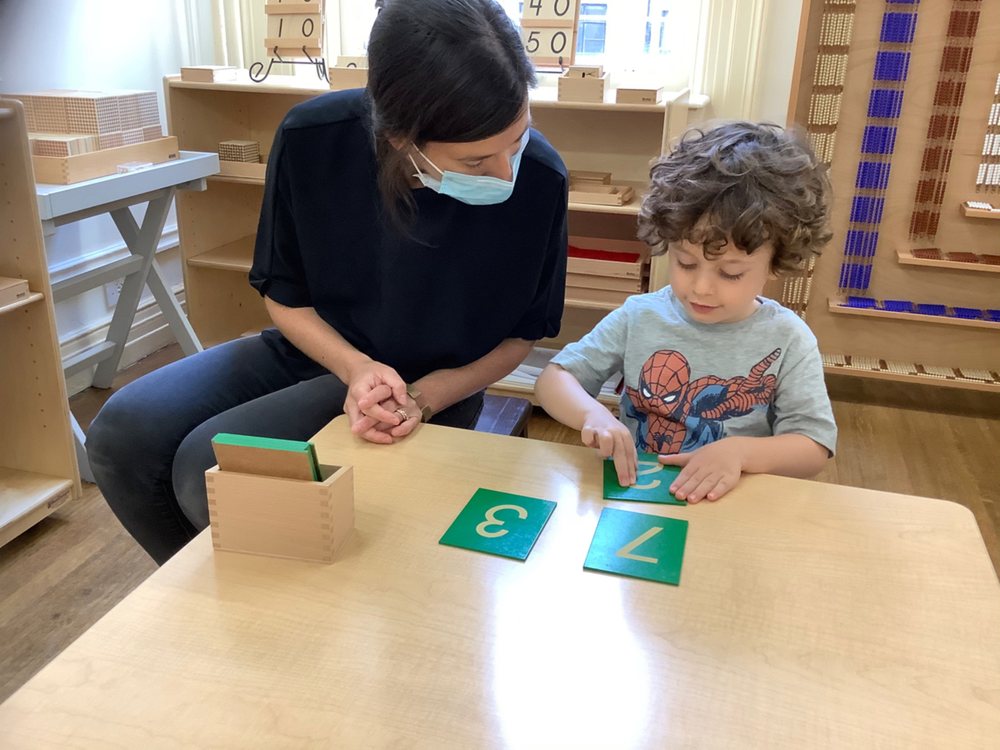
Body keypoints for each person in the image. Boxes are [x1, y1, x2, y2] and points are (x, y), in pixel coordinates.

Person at [87, 0, 568, 564]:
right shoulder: (313, 137)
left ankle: (254, 593)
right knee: (123, 433)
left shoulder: (540, 179)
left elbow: (520, 337)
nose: (507, 172)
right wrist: (356, 368)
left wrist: (421, 398)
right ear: (400, 137)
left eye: (519, 139)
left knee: (205, 469)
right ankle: (216, 592)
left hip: (431, 385)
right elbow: (285, 294)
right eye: (476, 161)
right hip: (321, 349)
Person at [535, 121, 836, 503]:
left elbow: (813, 447)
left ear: (777, 263)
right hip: (640, 496)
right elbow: (553, 380)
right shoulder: (640, 315)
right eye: (686, 263)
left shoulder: (788, 338)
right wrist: (591, 414)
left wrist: (740, 453)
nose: (701, 288)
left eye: (730, 273)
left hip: (730, 501)